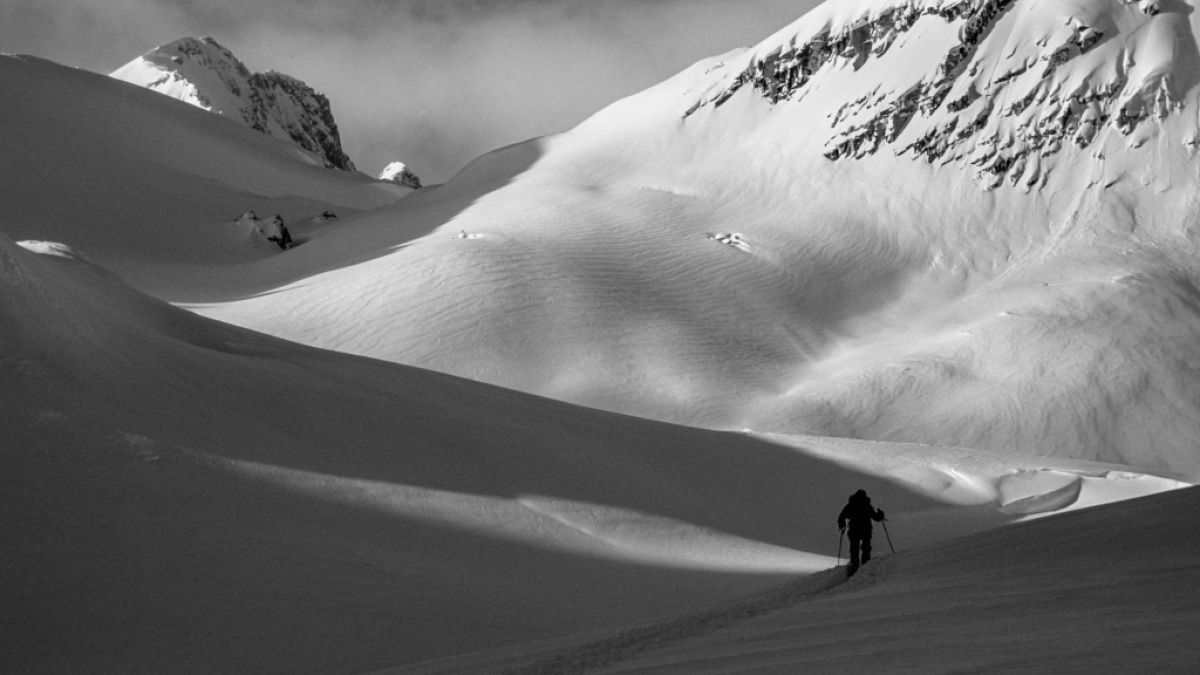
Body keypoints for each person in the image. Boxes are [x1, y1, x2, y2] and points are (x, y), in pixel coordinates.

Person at [838, 489, 885, 576]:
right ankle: (865, 562)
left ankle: (854, 564)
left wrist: (842, 526)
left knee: (854, 547)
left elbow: (842, 516)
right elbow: (876, 518)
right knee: (866, 546)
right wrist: (880, 514)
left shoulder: (851, 505)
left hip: (854, 529)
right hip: (865, 529)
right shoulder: (867, 505)